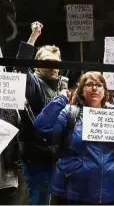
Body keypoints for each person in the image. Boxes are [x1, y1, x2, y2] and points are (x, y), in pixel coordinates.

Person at [33, 71, 114, 205]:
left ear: (105, 91)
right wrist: (60, 100)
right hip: (72, 193)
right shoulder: (69, 113)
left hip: (108, 193)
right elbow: (41, 127)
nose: (94, 88)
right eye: (89, 84)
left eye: (99, 85)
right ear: (81, 90)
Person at [15, 21, 68, 205]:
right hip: (37, 156)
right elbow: (20, 70)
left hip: (56, 156)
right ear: (37, 65)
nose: (53, 66)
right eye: (47, 62)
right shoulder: (34, 82)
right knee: (40, 199)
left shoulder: (61, 85)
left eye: (56, 63)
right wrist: (34, 37)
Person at [0, 109, 20, 205]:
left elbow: (20, 136)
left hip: (8, 175)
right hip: (9, 175)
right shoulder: (13, 111)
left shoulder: (12, 110)